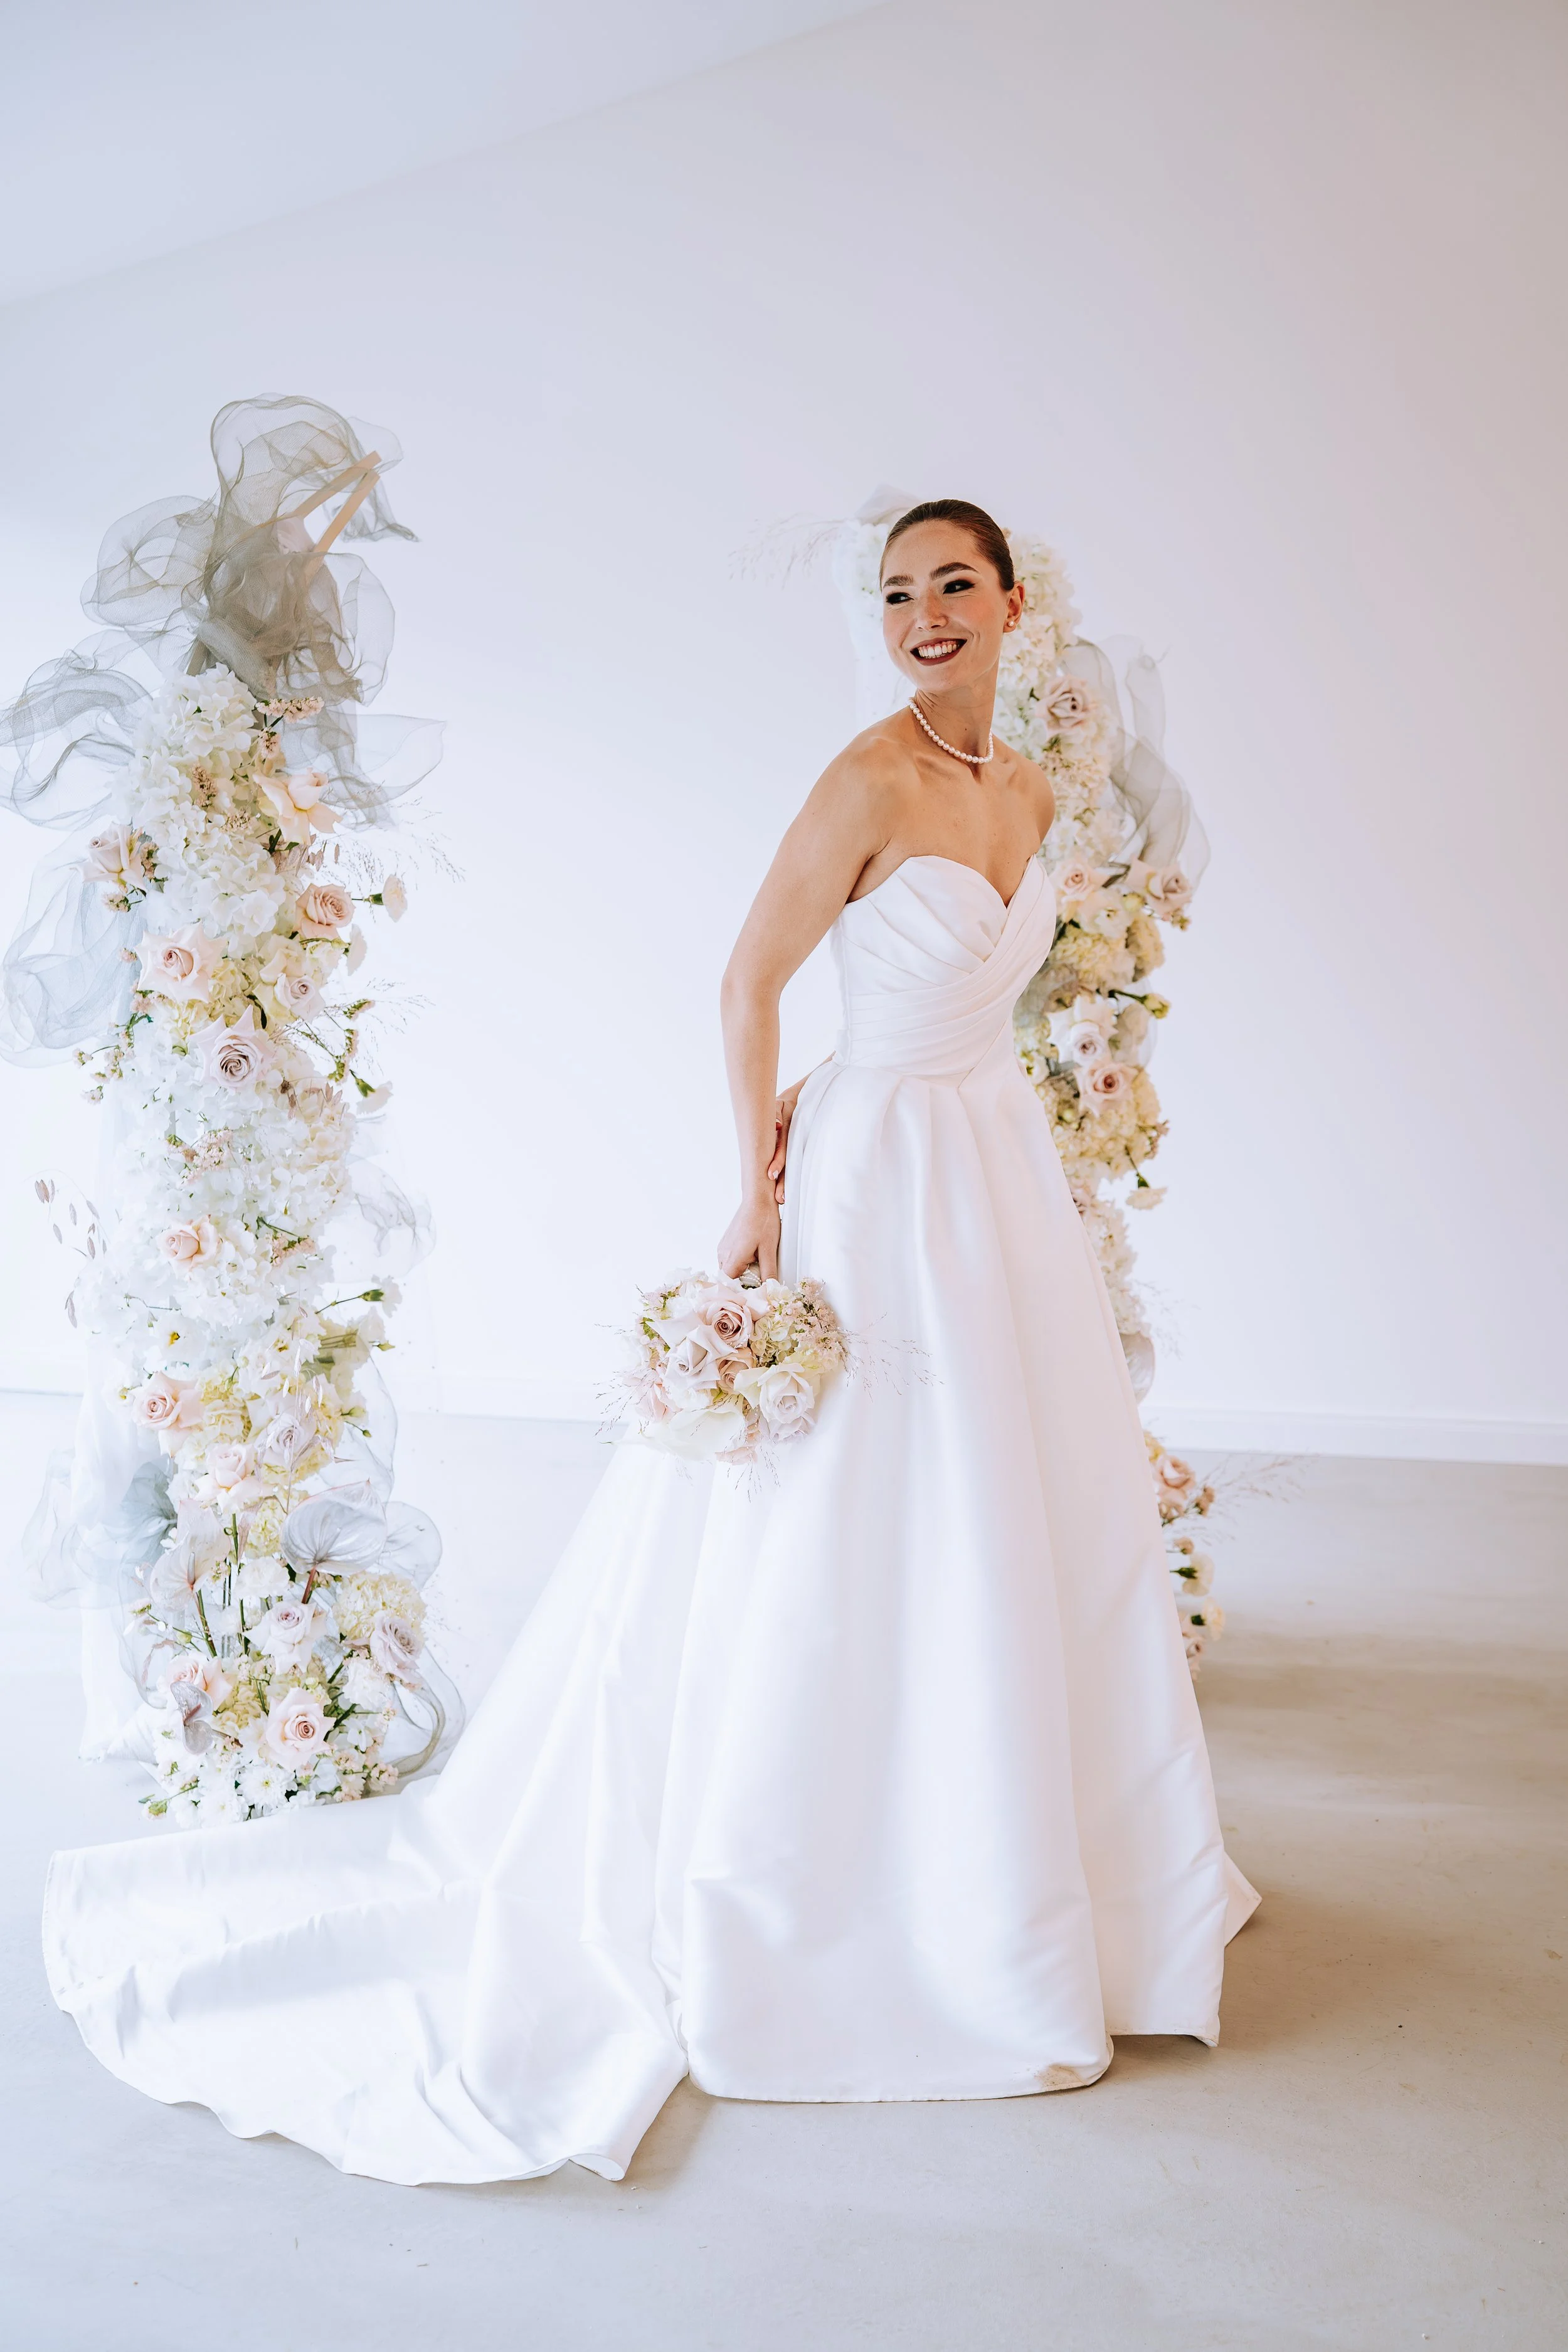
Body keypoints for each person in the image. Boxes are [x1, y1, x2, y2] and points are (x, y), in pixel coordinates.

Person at [45, 498, 1257, 2186]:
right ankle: (832, 1886)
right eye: (897, 592)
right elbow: (744, 981)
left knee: (1022, 1496)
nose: (921, 616)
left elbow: (989, 997)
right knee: (857, 1501)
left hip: (997, 1178)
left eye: (951, 587)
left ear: (1009, 604)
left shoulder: (1031, 789)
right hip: (871, 1177)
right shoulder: (865, 778)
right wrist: (756, 1186)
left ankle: (1047, 1857)